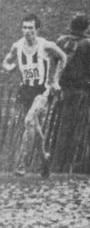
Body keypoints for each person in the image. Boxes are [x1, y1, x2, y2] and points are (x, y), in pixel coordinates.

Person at [2, 14, 67, 177]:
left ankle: (21, 164)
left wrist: (56, 80)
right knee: (35, 129)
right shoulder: (17, 46)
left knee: (29, 120)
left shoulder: (46, 45)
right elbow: (6, 61)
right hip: (26, 91)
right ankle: (45, 159)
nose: (27, 31)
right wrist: (10, 67)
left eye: (30, 28)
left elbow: (63, 57)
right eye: (24, 28)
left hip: (42, 91)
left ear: (37, 29)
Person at [53, 13, 90, 168]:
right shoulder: (86, 43)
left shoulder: (61, 41)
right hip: (79, 89)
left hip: (63, 89)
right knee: (77, 125)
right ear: (85, 27)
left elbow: (55, 61)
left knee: (63, 124)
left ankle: (57, 160)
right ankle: (71, 161)